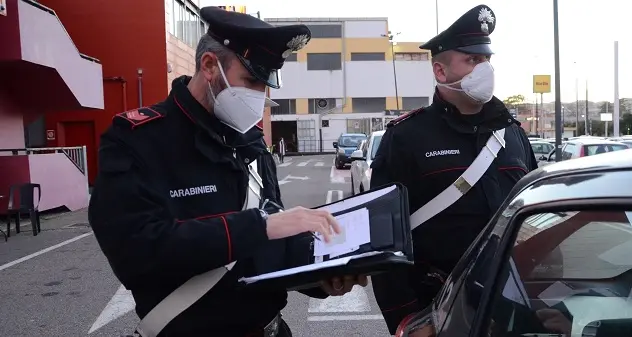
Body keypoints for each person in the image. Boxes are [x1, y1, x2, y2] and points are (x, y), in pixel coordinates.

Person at [88, 7, 367, 337]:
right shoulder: (137, 140)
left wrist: (322, 275)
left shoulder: (251, 144)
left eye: (264, 85)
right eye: (250, 80)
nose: (259, 96)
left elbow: (267, 250)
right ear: (209, 66)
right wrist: (259, 226)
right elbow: (137, 251)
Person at [369, 4, 538, 335]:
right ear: (440, 71)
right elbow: (382, 240)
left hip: (509, 310)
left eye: (486, 59)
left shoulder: (514, 135)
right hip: (438, 313)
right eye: (472, 60)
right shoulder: (406, 138)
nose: (484, 68)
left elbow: (531, 217)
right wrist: (406, 319)